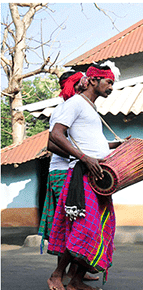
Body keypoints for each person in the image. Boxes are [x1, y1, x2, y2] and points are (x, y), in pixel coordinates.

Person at [47, 63, 124, 290]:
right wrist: (83, 158)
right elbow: (56, 135)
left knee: (101, 229)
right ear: (92, 80)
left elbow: (93, 143)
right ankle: (56, 276)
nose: (111, 87)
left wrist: (116, 146)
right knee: (83, 228)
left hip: (98, 175)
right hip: (81, 175)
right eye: (107, 82)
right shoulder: (75, 103)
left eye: (111, 83)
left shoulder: (90, 107)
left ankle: (76, 281)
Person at [41, 71, 100, 285]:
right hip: (63, 171)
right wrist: (82, 157)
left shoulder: (83, 106)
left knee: (77, 223)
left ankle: (75, 273)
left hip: (76, 168)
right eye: (83, 81)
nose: (87, 83)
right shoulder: (66, 107)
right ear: (76, 85)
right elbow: (52, 142)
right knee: (72, 223)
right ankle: (61, 273)